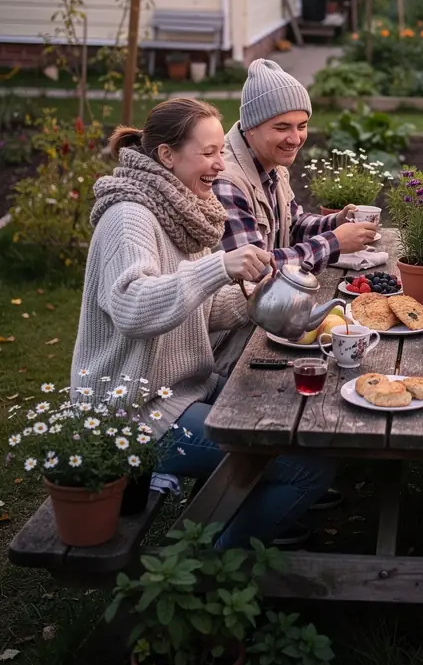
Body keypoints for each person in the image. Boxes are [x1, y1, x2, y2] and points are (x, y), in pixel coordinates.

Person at [70, 98, 335, 548]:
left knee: (302, 420)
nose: (220, 164)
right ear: (167, 156)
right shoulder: (129, 217)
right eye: (209, 153)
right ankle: (207, 568)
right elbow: (134, 308)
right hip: (133, 412)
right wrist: (220, 269)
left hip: (183, 388)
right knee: (308, 466)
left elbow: (199, 310)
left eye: (221, 152)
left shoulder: (180, 207)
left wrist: (258, 298)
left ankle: (234, 526)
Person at [214, 59, 378, 265]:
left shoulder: (271, 160)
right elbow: (255, 269)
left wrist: (336, 222)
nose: (295, 139)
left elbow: (292, 227)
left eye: (302, 126)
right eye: (282, 128)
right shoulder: (226, 181)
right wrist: (334, 242)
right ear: (251, 127)